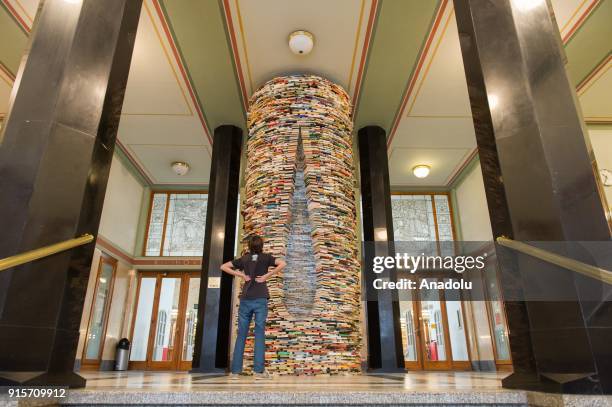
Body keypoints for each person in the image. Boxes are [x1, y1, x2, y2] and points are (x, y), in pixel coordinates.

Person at [221, 235, 286, 379]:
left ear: (249, 246)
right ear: (261, 245)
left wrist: (241, 275)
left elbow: (223, 266)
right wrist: (266, 276)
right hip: (260, 298)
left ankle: (235, 372)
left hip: (245, 299)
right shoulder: (266, 257)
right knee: (259, 333)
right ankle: (258, 371)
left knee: (242, 335)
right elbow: (282, 264)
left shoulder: (244, 259)